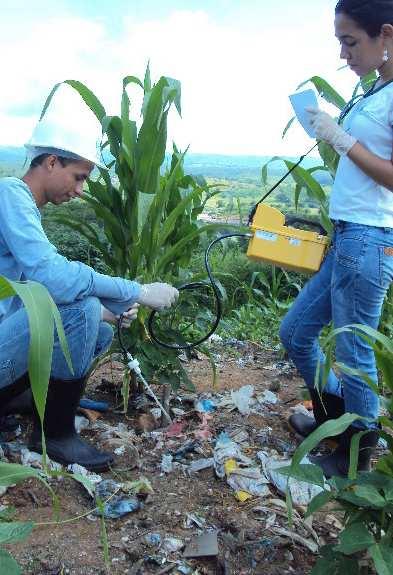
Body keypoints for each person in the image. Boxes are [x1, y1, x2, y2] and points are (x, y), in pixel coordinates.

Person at [0, 91, 179, 472]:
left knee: (95, 327)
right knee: (81, 310)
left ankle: (21, 399)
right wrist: (137, 291)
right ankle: (56, 434)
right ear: (51, 162)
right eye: (78, 177)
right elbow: (55, 279)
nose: (80, 189)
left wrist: (108, 310)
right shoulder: (10, 194)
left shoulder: (22, 206)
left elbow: (29, 291)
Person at [280, 0, 393, 478]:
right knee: (296, 332)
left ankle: (354, 455)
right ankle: (334, 421)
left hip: (371, 239)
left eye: (351, 42)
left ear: (385, 35)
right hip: (348, 238)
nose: (343, 54)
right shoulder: (373, 92)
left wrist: (343, 140)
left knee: (353, 351)